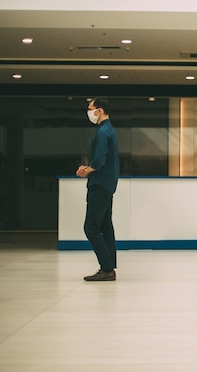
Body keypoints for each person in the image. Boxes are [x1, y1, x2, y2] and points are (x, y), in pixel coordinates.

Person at [76, 97, 120, 281]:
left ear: (99, 110)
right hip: (107, 184)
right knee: (105, 225)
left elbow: (100, 159)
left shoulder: (102, 132)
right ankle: (109, 267)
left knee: (91, 227)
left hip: (99, 184)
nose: (89, 112)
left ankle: (107, 267)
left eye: (90, 108)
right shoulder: (110, 130)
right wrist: (90, 167)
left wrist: (87, 170)